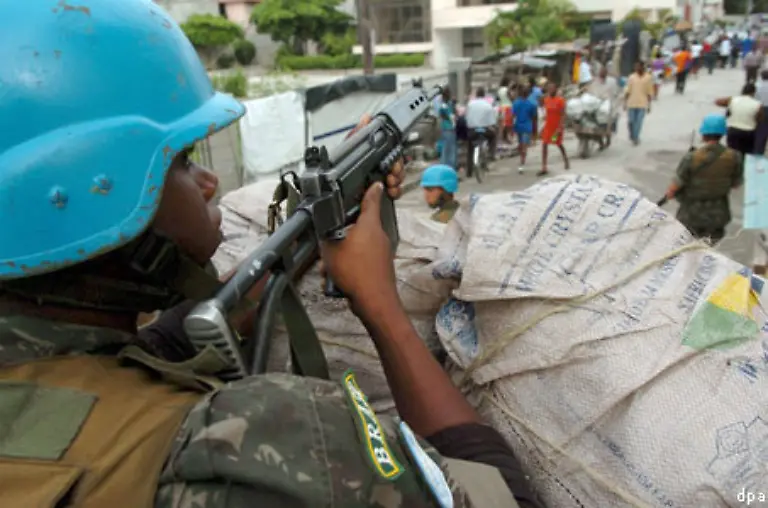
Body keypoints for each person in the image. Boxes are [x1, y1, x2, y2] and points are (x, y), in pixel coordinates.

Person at [0, 3, 543, 508]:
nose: (210, 180)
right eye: (185, 160)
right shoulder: (254, 434)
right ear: (98, 193)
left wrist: (309, 223)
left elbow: (131, 354)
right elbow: (496, 495)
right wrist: (379, 304)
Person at [663, 114, 743, 244]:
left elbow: (675, 186)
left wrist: (669, 195)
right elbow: (736, 184)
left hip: (691, 213)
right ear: (722, 134)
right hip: (719, 213)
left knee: (685, 247)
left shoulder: (692, 157)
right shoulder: (735, 156)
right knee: (708, 250)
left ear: (704, 134)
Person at [715, 82, 763, 157]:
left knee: (731, 154)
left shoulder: (733, 100)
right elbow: (759, 119)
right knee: (745, 155)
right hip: (748, 132)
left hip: (733, 131)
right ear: (754, 93)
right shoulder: (758, 104)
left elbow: (717, 102)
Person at [538, 82, 570, 176]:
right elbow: (541, 107)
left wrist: (560, 127)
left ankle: (566, 160)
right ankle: (544, 166)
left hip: (556, 128)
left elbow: (563, 114)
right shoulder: (546, 100)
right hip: (548, 127)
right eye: (549, 89)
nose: (550, 90)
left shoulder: (560, 101)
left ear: (556, 89)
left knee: (558, 144)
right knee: (544, 144)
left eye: (552, 88)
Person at [465, 87, 498, 177]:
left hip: (473, 130)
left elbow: (467, 118)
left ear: (476, 94)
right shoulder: (488, 105)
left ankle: (469, 171)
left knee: (470, 149)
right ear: (484, 95)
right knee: (494, 136)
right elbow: (492, 122)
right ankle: (491, 154)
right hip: (485, 130)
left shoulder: (470, 104)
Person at [588, 66, 620, 147]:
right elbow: (591, 91)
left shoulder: (611, 82)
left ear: (606, 74)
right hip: (596, 104)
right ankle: (600, 142)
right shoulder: (594, 81)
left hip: (607, 105)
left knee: (606, 124)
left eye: (603, 73)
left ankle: (608, 138)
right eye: (600, 73)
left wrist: (611, 102)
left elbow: (615, 93)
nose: (601, 74)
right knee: (594, 123)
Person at [624, 61, 654, 146]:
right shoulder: (631, 77)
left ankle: (636, 138)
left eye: (638, 66)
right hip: (631, 103)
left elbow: (649, 92)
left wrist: (649, 105)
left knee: (639, 122)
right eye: (635, 67)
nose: (636, 68)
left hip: (642, 103)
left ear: (642, 67)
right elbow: (628, 90)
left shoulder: (648, 78)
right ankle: (632, 134)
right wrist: (624, 102)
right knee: (631, 121)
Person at [512, 86, 537, 173]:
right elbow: (534, 118)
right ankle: (522, 163)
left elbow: (513, 116)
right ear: (528, 94)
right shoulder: (531, 104)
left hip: (518, 126)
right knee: (524, 146)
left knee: (521, 144)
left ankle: (521, 161)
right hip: (527, 127)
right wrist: (534, 132)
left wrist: (512, 128)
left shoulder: (515, 103)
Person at [438, 86, 458, 170]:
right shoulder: (446, 105)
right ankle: (450, 168)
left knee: (446, 149)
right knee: (450, 149)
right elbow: (450, 116)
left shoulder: (444, 104)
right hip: (449, 128)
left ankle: (445, 167)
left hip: (446, 128)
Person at [754, 69, 768, 153]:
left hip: (761, 109)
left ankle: (759, 150)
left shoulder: (757, 85)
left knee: (760, 130)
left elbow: (755, 98)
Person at [498, 77, 514, 143]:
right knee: (508, 124)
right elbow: (511, 98)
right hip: (508, 107)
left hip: (501, 107)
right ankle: (506, 138)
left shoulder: (499, 90)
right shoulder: (507, 90)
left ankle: (502, 138)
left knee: (503, 123)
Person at [527, 77, 543, 144]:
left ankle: (529, 138)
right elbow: (540, 99)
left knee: (528, 123)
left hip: (527, 106)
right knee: (534, 123)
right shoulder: (538, 90)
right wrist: (541, 105)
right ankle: (534, 139)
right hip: (534, 107)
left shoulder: (527, 89)